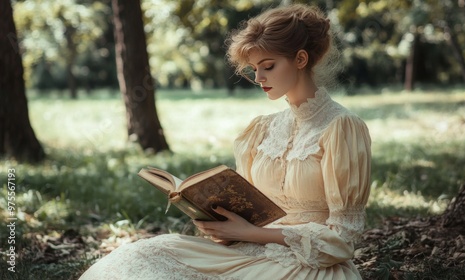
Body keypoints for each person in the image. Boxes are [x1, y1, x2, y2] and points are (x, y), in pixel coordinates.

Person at [79, 4, 371, 280]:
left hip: (310, 263)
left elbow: (344, 237)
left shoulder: (341, 127)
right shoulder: (261, 130)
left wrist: (249, 234)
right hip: (248, 248)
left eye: (268, 66)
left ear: (300, 59)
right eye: (254, 68)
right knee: (142, 254)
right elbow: (250, 209)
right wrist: (222, 224)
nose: (258, 77)